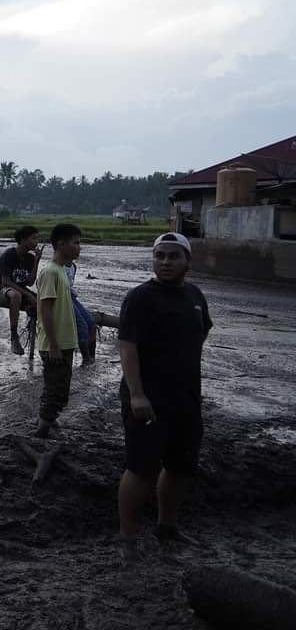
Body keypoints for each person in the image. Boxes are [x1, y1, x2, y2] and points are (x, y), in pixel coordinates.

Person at [116, 233, 211, 562]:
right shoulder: (140, 298)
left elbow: (200, 335)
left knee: (180, 466)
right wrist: (137, 394)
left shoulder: (196, 296)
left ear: (188, 261)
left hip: (186, 397)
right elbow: (127, 348)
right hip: (148, 398)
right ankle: (128, 538)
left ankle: (167, 527)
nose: (165, 262)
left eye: (173, 256)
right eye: (159, 256)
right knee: (141, 468)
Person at [35, 224, 82, 438]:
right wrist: (54, 345)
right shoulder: (50, 272)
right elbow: (45, 310)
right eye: (76, 242)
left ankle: (46, 422)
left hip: (63, 342)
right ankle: (42, 431)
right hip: (55, 345)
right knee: (57, 391)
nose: (79, 247)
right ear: (61, 244)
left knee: (56, 388)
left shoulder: (62, 271)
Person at [0, 226, 42, 355]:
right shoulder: (9, 254)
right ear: (23, 240)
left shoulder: (30, 258)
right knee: (16, 296)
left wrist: (37, 261)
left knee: (42, 302)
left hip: (20, 288)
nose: (37, 242)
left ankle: (41, 341)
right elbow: (5, 281)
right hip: (3, 287)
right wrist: (28, 296)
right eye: (34, 238)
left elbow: (30, 282)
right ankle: (14, 336)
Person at [64, 260, 98, 366]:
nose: (78, 249)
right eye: (75, 244)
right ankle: (86, 358)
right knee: (82, 325)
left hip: (72, 296)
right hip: (63, 297)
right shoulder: (58, 267)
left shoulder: (73, 266)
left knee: (91, 324)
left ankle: (91, 357)